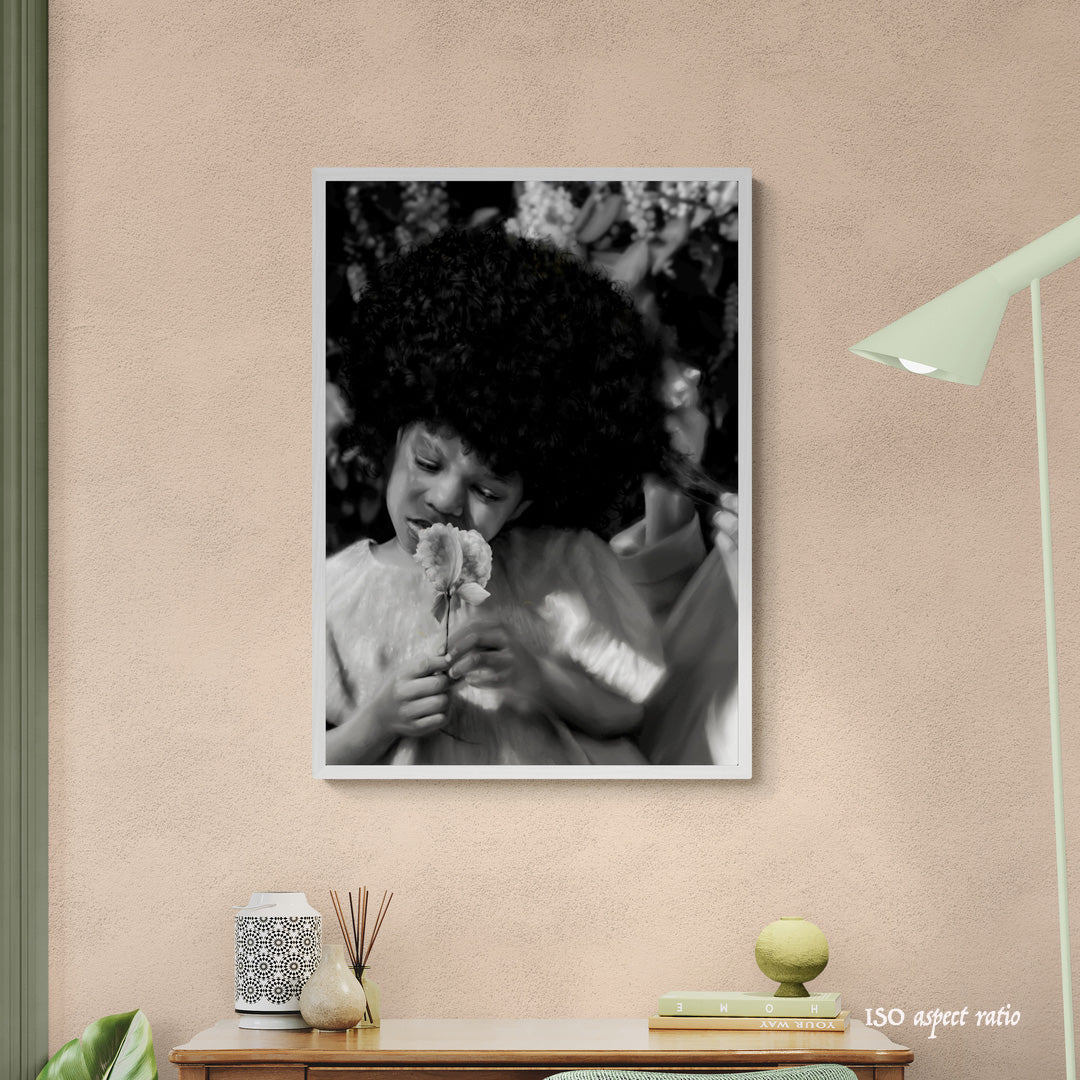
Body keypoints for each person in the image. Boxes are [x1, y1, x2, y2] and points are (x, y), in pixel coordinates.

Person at [325, 226, 679, 766]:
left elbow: (629, 712)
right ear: (391, 432)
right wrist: (376, 722)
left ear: (528, 502)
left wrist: (540, 678)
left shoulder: (567, 566)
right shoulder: (331, 599)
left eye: (487, 489)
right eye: (427, 461)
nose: (445, 498)